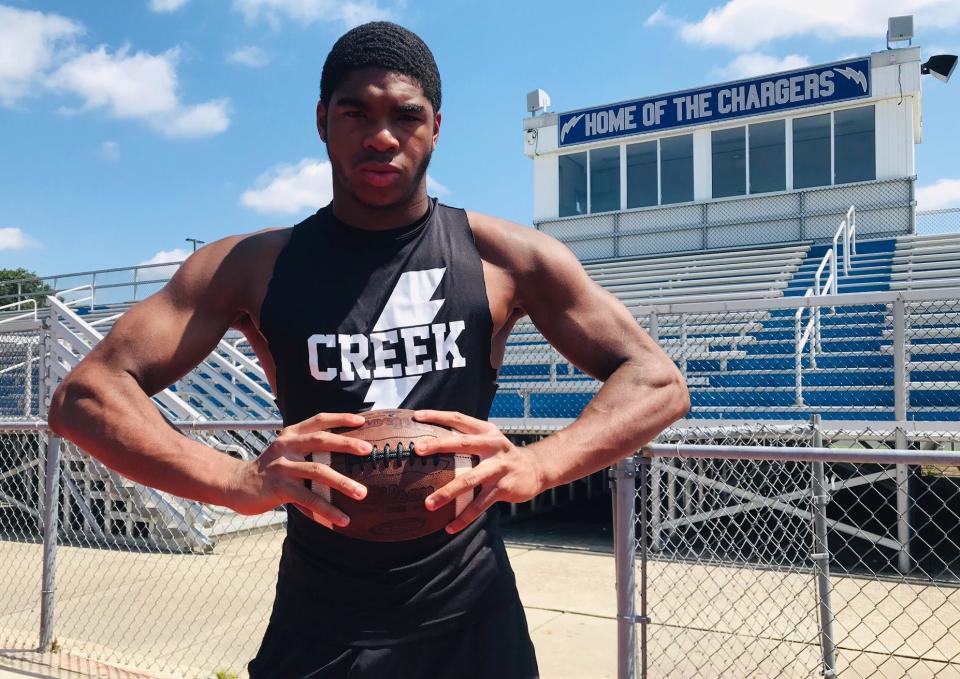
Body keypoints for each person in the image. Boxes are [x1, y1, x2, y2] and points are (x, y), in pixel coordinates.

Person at [48, 21, 689, 679]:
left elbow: (657, 380)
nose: (382, 136)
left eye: (405, 116)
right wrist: (236, 479)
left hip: (473, 619)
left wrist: (543, 462)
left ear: (436, 126)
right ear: (322, 121)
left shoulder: (505, 257)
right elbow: (84, 397)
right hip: (321, 620)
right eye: (356, 113)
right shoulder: (252, 266)